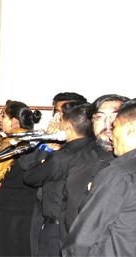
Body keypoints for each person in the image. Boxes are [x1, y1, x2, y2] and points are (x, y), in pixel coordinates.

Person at [62, 97, 136, 256]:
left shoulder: (119, 175)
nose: (111, 134)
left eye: (115, 126)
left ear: (129, 128)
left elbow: (83, 240)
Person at [24, 101, 92, 256]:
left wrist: (46, 146)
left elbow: (31, 177)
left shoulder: (61, 158)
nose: (58, 125)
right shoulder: (95, 152)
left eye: (60, 121)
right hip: (83, 227)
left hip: (56, 230)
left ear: (68, 126)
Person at [58, 94, 129, 241]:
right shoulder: (81, 156)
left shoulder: (131, 163)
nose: (108, 124)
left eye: (114, 117)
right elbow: (68, 203)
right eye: (100, 117)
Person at [0, 100, 41, 257]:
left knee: (4, 249)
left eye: (3, 116)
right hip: (29, 207)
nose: (0, 119)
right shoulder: (36, 142)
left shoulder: (8, 143)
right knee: (23, 249)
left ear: (14, 122)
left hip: (6, 208)